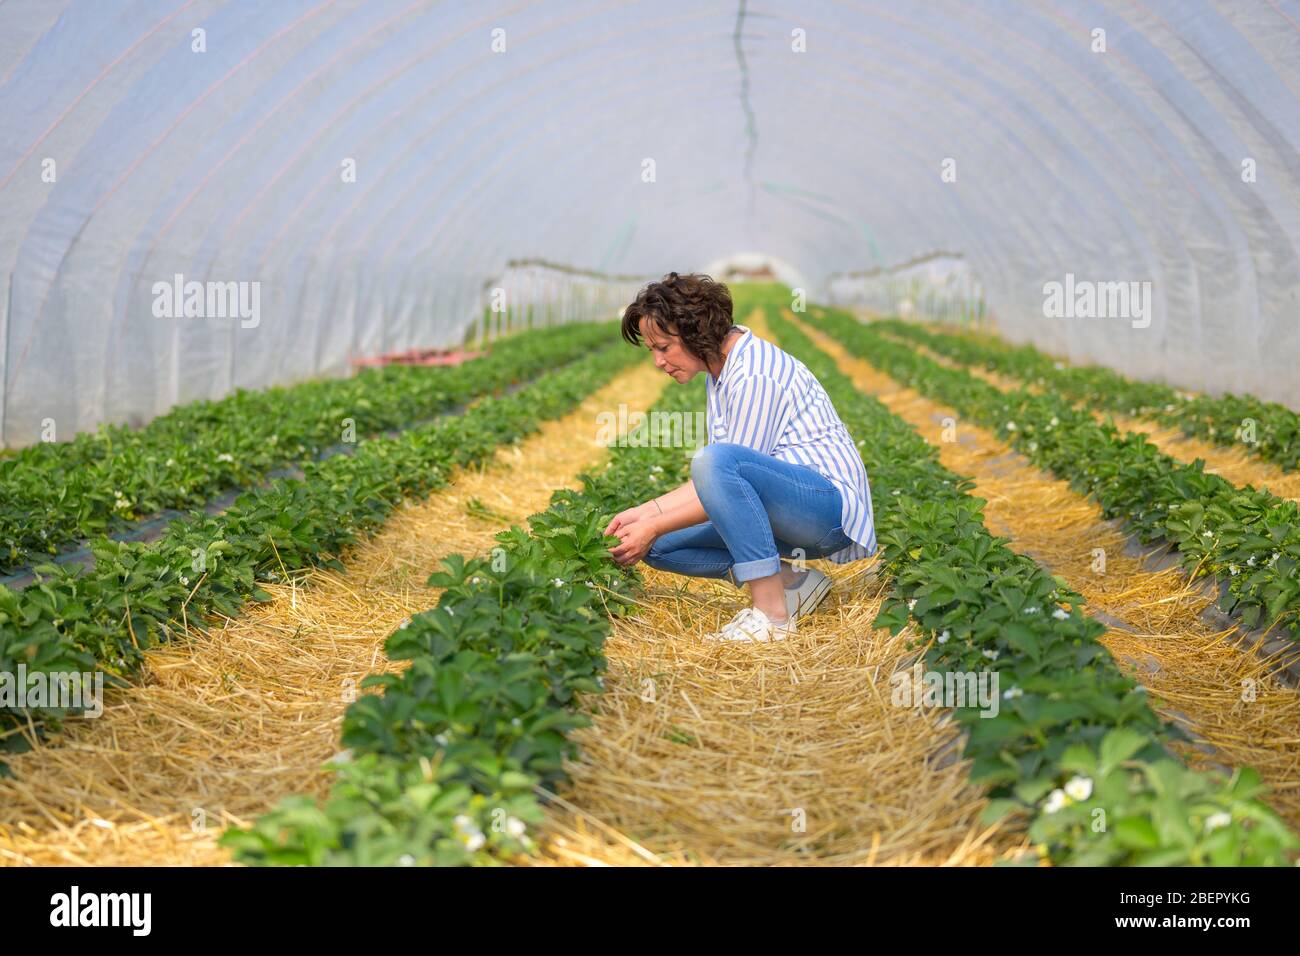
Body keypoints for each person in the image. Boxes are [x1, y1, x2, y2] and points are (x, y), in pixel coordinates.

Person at [605, 271, 876, 643]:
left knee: (711, 464)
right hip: (789, 510)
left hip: (825, 509)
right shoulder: (719, 372)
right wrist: (646, 514)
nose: (657, 361)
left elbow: (723, 472)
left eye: (663, 347)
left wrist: (655, 519)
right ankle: (793, 583)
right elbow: (717, 485)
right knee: (660, 544)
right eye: (652, 350)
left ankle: (772, 618)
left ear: (695, 331)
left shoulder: (753, 374)